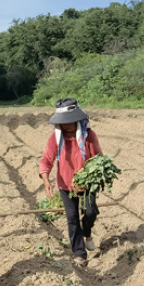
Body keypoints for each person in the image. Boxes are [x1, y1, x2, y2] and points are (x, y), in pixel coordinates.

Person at [38, 98, 103, 268]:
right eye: (64, 122)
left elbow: (98, 159)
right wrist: (46, 180)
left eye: (70, 121)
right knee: (72, 218)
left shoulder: (89, 136)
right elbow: (47, 159)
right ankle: (79, 253)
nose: (67, 125)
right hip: (65, 184)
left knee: (90, 212)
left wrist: (91, 176)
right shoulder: (56, 138)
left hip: (87, 184)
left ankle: (87, 233)